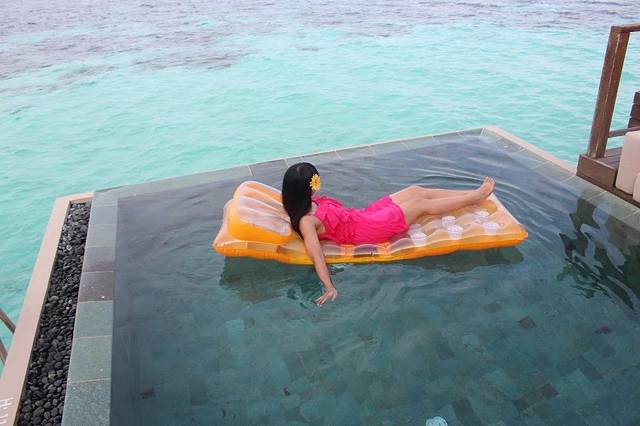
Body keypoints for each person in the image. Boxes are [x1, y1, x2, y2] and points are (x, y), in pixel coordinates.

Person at [281, 162, 495, 305]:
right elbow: (317, 256)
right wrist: (329, 287)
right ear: (305, 190)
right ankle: (474, 197)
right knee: (419, 204)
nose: (317, 187)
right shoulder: (307, 221)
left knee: (415, 191)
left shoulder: (305, 203)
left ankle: (470, 194)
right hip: (368, 230)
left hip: (363, 215)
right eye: (314, 183)